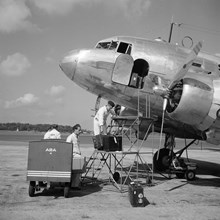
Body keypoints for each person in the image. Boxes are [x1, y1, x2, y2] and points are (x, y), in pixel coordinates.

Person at [66, 124, 82, 189]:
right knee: (78, 169)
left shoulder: (77, 137)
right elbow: (67, 146)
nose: (80, 131)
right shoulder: (71, 137)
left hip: (77, 155)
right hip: (73, 155)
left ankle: (75, 183)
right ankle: (74, 185)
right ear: (75, 130)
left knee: (78, 170)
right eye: (79, 130)